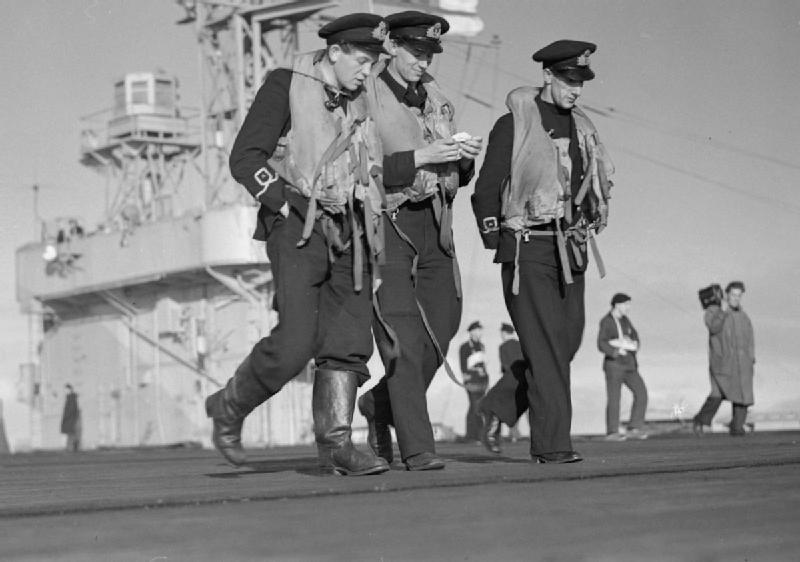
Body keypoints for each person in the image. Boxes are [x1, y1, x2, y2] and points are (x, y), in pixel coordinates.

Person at [204, 13, 392, 476]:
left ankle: (338, 446)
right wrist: (283, 202)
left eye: (373, 63)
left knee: (349, 342)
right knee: (295, 343)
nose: (369, 72)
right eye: (363, 61)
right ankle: (229, 405)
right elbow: (245, 156)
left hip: (351, 231)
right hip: (299, 229)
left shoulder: (359, 99)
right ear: (334, 52)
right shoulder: (286, 84)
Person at [471, 40, 614, 463]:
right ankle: (552, 446)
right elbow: (485, 191)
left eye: (581, 82)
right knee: (549, 348)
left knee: (564, 343)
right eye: (568, 80)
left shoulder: (584, 126)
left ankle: (498, 407)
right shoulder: (513, 124)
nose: (576, 90)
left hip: (571, 249)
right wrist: (502, 244)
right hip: (528, 249)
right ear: (547, 76)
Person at [356, 11, 482, 471]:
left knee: (443, 330)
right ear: (390, 46)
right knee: (403, 340)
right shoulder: (363, 95)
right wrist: (421, 157)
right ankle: (418, 449)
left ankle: (380, 405)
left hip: (435, 227)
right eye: (415, 51)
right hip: (387, 223)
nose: (423, 61)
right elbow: (360, 169)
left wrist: (463, 160)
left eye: (429, 53)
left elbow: (455, 176)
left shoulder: (436, 99)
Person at [692, 281, 755, 436]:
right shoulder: (714, 311)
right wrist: (724, 312)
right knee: (718, 393)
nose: (736, 298)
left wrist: (751, 358)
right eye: (733, 295)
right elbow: (713, 327)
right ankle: (701, 421)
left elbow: (750, 339)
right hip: (722, 362)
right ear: (726, 294)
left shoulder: (744, 316)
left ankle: (737, 427)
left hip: (743, 363)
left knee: (743, 395)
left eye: (739, 296)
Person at [597, 293, 648, 441]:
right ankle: (612, 432)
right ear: (617, 305)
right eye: (626, 304)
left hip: (630, 365)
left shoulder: (626, 321)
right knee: (614, 398)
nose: (628, 307)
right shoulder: (606, 322)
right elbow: (601, 343)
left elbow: (636, 337)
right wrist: (616, 349)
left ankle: (634, 427)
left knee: (641, 393)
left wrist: (632, 344)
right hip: (614, 365)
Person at [478, 323, 527, 454]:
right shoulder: (521, 344)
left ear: (505, 333)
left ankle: (503, 434)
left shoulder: (503, 346)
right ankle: (516, 434)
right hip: (526, 378)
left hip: (511, 378)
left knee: (501, 406)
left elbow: (505, 365)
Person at [458, 321, 490, 443]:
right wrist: (467, 376)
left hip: (482, 380)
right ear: (471, 332)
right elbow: (463, 366)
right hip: (472, 380)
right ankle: (472, 435)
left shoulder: (481, 346)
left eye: (480, 330)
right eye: (477, 330)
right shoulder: (465, 347)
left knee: (478, 406)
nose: (479, 332)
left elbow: (484, 364)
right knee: (474, 406)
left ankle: (478, 435)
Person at [61, 384, 81, 452]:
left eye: (66, 390)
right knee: (70, 434)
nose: (65, 391)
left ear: (69, 389)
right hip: (70, 419)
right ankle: (70, 448)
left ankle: (71, 448)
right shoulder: (71, 397)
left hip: (70, 419)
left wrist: (66, 416)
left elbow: (71, 409)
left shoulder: (71, 398)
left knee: (71, 434)